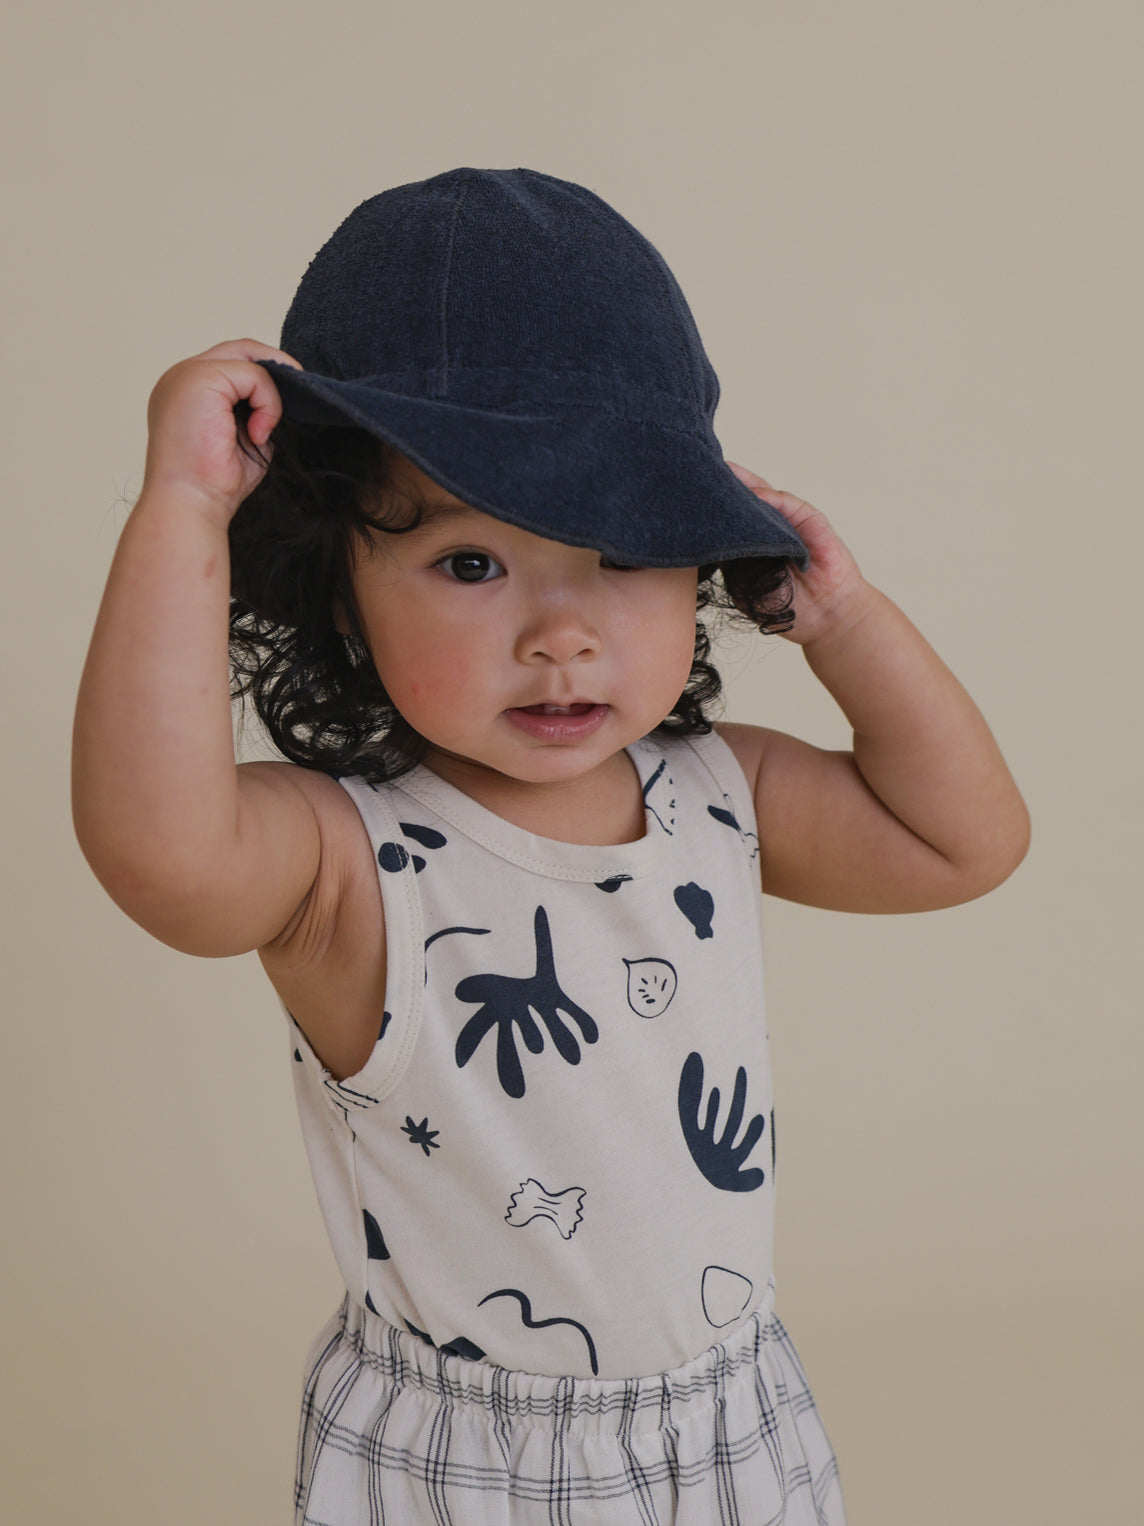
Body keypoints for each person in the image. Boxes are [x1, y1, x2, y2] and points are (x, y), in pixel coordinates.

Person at [72, 168, 1029, 1526]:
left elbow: (963, 841)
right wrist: (180, 508)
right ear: (340, 590)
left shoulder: (717, 787)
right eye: (472, 563)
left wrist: (845, 618)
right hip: (475, 1465)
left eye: (622, 555)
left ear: (699, 563)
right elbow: (158, 852)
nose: (561, 632)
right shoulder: (347, 856)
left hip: (732, 1417)